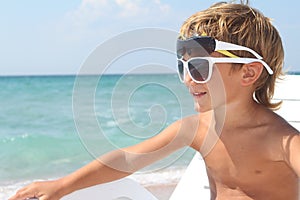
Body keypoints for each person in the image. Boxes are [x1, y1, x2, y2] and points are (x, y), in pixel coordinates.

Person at [10, 1, 300, 200]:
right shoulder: (197, 128)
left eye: (199, 67)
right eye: (182, 67)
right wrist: (61, 186)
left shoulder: (281, 140)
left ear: (248, 72)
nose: (188, 79)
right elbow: (127, 159)